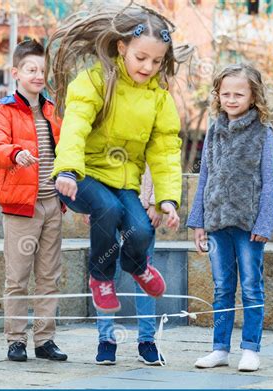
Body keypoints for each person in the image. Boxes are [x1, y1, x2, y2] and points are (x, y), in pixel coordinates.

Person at [46, 3, 192, 313]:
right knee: (107, 208)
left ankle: (137, 266)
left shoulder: (159, 99)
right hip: (82, 175)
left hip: (123, 180)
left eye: (156, 60)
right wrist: (68, 170)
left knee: (140, 229)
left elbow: (165, 151)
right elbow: (74, 126)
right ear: (122, 47)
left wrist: (167, 199)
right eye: (141, 58)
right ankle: (100, 277)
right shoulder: (96, 81)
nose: (148, 67)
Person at [187, 63, 273, 372]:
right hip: (216, 223)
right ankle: (220, 348)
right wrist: (198, 222)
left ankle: (251, 348)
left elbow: (270, 181)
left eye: (239, 94)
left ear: (253, 96)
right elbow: (205, 177)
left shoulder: (262, 132)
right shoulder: (214, 128)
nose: (231, 99)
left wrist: (265, 222)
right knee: (222, 286)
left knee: (251, 285)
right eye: (225, 93)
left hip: (249, 224)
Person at [0, 40, 67, 362]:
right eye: (31, 69)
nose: (38, 75)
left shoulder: (53, 109)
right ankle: (15, 340)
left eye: (42, 70)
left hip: (52, 205)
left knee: (50, 277)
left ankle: (45, 340)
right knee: (17, 278)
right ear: (16, 72)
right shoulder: (4, 111)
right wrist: (14, 153)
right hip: (21, 208)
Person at [95, 166, 166, 365]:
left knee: (144, 277)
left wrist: (156, 203)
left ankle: (147, 342)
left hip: (142, 210)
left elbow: (161, 161)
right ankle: (106, 341)